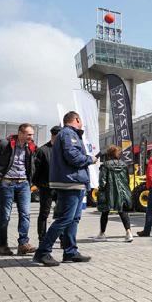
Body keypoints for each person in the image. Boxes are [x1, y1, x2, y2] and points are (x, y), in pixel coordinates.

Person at [33, 111, 97, 266]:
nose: (82, 124)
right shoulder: (69, 134)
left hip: (72, 181)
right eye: (80, 121)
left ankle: (70, 252)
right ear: (76, 119)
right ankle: (42, 252)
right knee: (65, 219)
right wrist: (90, 159)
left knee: (73, 219)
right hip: (70, 182)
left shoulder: (66, 134)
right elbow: (73, 156)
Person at [0, 123, 37, 256]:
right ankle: (2, 246)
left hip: (24, 184)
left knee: (25, 214)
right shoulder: (4, 144)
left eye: (32, 135)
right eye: (29, 134)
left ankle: (23, 244)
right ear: (20, 133)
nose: (31, 137)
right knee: (5, 216)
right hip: (6, 184)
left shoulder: (31, 147)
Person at [94, 145, 133, 242]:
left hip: (109, 192)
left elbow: (102, 181)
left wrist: (101, 190)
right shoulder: (124, 165)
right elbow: (127, 180)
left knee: (105, 212)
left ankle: (102, 234)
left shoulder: (105, 165)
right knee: (123, 211)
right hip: (122, 191)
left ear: (109, 154)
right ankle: (129, 233)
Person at [33, 126, 62, 242]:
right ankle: (42, 239)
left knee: (62, 214)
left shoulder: (64, 150)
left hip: (61, 187)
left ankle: (63, 239)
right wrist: (40, 185)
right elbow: (35, 171)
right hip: (46, 187)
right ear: (53, 136)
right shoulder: (42, 150)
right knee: (44, 214)